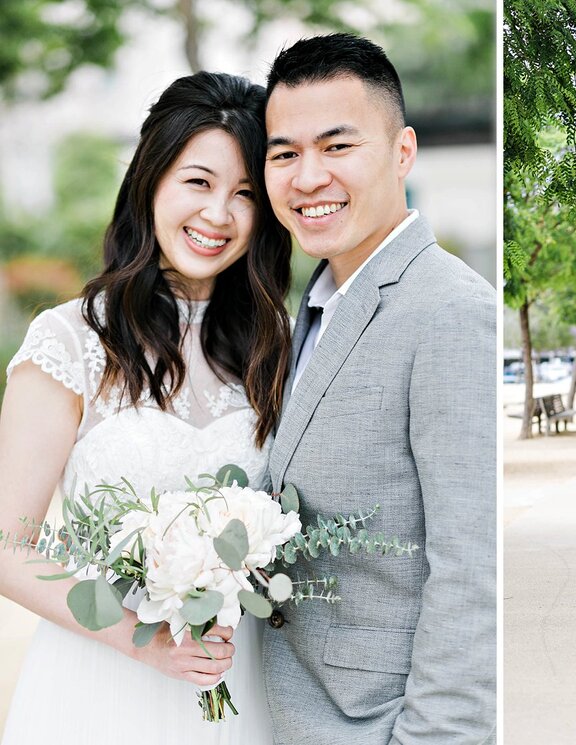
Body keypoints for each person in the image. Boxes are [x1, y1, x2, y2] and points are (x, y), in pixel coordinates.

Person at [0, 71, 291, 743]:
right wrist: (146, 641)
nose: (218, 214)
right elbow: (9, 546)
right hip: (99, 682)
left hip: (237, 681)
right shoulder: (69, 339)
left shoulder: (274, 348)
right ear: (151, 178)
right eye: (198, 181)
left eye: (245, 194)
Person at [260, 34, 496, 743]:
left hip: (376, 723)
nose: (307, 178)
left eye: (337, 147)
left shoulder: (452, 311)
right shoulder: (315, 300)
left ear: (402, 152)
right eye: (284, 154)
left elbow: (471, 572)